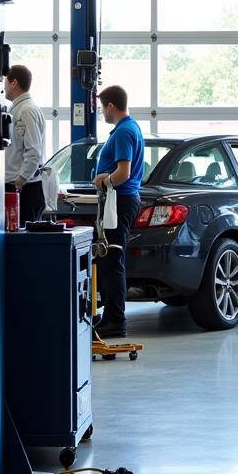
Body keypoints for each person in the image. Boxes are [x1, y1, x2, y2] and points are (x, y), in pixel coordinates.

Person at [92, 85, 145, 339]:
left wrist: (103, 180)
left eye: (103, 107)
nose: (102, 112)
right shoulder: (129, 128)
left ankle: (116, 321)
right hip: (120, 200)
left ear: (110, 105)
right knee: (108, 260)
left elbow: (123, 173)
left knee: (112, 262)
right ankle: (111, 315)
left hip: (119, 200)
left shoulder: (124, 132)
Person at [4, 64, 47, 226]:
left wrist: (20, 180)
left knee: (22, 244)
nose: (4, 87)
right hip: (19, 187)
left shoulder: (26, 110)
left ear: (14, 83)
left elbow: (33, 151)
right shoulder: (18, 109)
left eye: (6, 82)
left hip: (24, 189)